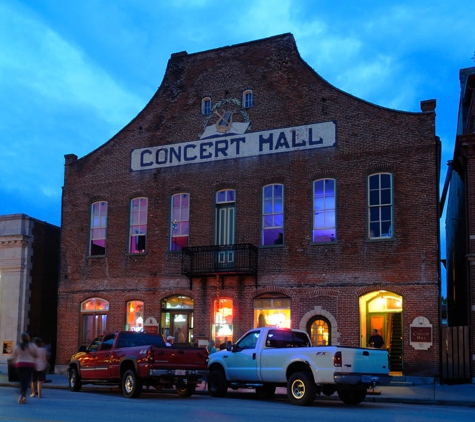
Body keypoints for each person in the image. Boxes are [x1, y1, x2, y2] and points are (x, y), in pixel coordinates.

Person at [12, 333, 38, 404]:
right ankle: (23, 395)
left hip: (19, 364)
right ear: (28, 338)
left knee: (22, 380)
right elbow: (36, 354)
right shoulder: (32, 345)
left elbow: (14, 355)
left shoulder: (17, 346)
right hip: (29, 364)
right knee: (26, 380)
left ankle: (22, 394)